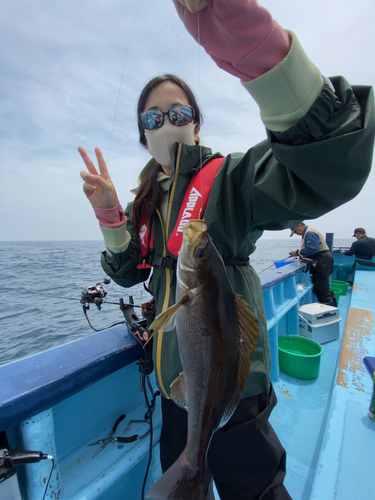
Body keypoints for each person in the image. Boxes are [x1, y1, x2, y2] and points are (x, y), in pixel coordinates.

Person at [78, 1, 375, 498]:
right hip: (175, 382)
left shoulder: (231, 180)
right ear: (143, 133)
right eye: (153, 116)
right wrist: (111, 216)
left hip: (234, 380)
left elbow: (324, 167)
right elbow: (128, 272)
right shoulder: (146, 204)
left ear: (196, 124)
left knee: (254, 487)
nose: (166, 121)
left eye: (179, 112)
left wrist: (255, 47)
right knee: (183, 480)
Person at [289, 222, 337, 306]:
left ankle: (329, 314)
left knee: (322, 291)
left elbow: (313, 249)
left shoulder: (309, 233)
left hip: (322, 261)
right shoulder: (309, 231)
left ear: (300, 225)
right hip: (323, 260)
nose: (296, 233)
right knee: (325, 289)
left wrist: (298, 252)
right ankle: (334, 310)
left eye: (295, 231)